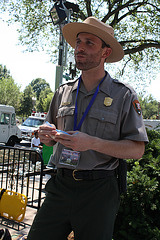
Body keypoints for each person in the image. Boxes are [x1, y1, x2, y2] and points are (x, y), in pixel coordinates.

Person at [27, 17, 148, 240]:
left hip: (99, 191)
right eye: (78, 42)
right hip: (60, 185)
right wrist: (46, 135)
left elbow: (137, 149)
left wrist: (92, 143)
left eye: (89, 43)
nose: (79, 48)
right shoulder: (63, 92)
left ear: (105, 52)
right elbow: (51, 135)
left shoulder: (123, 95)